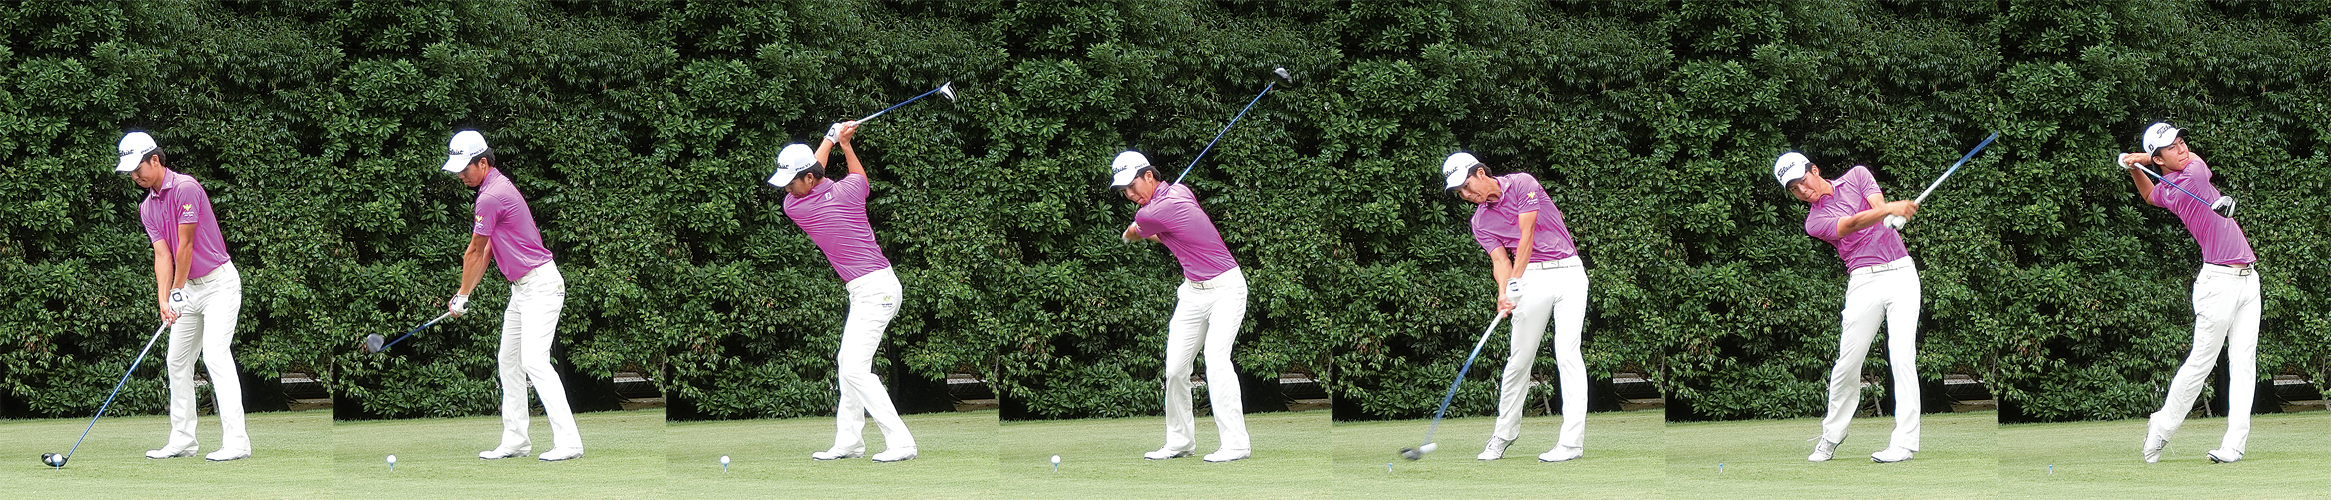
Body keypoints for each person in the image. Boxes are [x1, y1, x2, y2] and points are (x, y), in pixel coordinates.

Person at [765, 121, 918, 463]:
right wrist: (843, 144)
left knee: (855, 370)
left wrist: (831, 139)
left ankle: (902, 442)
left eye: (790, 182)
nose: (786, 190)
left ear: (808, 178)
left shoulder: (799, 206)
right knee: (847, 364)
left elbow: (819, 167)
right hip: (871, 288)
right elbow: (858, 177)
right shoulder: (847, 190)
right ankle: (849, 442)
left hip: (876, 289)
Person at [2116, 122, 2258, 464]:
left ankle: (2234, 445)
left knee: (2244, 363)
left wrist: (2136, 167)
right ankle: (2161, 427)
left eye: (2181, 141)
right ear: (2159, 158)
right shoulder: (2190, 178)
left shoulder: (2173, 185)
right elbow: (2187, 166)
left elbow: (2149, 195)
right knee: (2200, 364)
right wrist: (2141, 162)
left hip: (2248, 279)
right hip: (2219, 283)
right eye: (2171, 146)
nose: (2182, 149)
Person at [1437, 153, 1590, 462]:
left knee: (1568, 355)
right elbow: (1500, 261)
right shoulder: (1480, 221)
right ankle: (1503, 436)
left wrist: (1515, 281)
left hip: (1569, 272)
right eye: (1460, 192)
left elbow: (1527, 234)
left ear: (1481, 173)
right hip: (1529, 278)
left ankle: (1571, 444)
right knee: (1519, 361)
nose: (1466, 195)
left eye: (1467, 186)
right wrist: (1503, 292)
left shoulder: (1522, 184)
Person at [442, 130, 584, 462]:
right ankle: (517, 441)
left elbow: (472, 252)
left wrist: (461, 295)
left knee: (534, 360)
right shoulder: (493, 188)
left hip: (541, 285)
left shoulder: (491, 196)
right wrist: (465, 294)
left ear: (482, 162)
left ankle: (569, 443)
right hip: (522, 290)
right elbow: (487, 250)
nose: (461, 175)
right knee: (508, 361)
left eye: (464, 168)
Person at [1774, 151, 1922, 463]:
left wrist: (1889, 213)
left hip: (1901, 274)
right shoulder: (1814, 221)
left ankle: (1904, 444)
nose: (1803, 190)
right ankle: (1831, 436)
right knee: (1848, 363)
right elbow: (1851, 224)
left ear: (1815, 170)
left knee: (1902, 357)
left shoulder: (1857, 175)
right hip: (1863, 281)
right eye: (1794, 189)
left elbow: (1878, 206)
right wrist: (1890, 211)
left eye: (1803, 181)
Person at [116, 131, 251, 462]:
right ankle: (183, 441)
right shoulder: (147, 207)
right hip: (187, 289)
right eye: (130, 172)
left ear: (155, 160)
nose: (135, 177)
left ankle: (237, 443)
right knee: (176, 360)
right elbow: (163, 255)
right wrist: (165, 299)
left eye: (137, 169)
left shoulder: (186, 188)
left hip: (218, 284)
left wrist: (175, 292)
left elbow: (185, 246)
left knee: (215, 355)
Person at [1109, 150, 1250, 463]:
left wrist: (1131, 233)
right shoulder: (1180, 191)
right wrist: (1144, 229)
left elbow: (1140, 229)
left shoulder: (1153, 212)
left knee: (1216, 360)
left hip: (1226, 289)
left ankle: (1236, 444)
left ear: (1149, 175)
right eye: (1124, 190)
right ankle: (1180, 442)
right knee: (1174, 369)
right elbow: (1170, 234)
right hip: (1192, 293)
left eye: (1132, 185)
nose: (1130, 194)